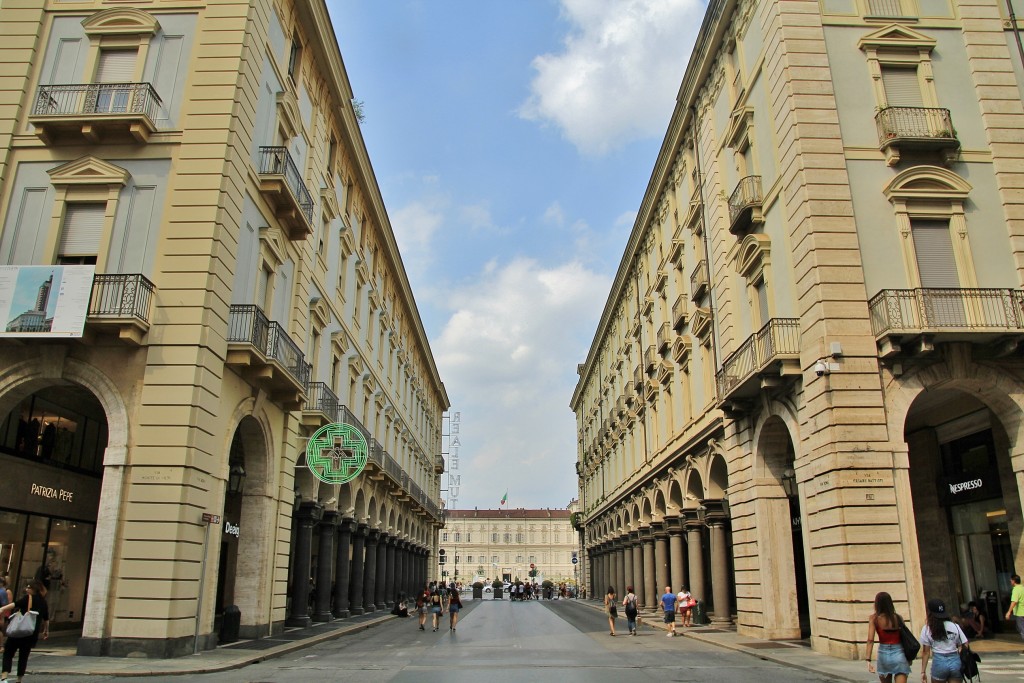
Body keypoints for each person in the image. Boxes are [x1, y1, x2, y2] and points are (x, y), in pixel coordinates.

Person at [0, 580, 48, 683]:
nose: (27, 589)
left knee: (8, 653)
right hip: (31, 633)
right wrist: (45, 630)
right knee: (24, 656)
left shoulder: (28, 598)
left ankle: (4, 677)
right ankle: (19, 679)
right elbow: (46, 618)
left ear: (34, 589)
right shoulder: (43, 602)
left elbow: (14, 604)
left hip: (18, 632)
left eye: (29, 588)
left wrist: (2, 609)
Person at [865, 591, 911, 683]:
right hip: (899, 653)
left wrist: (868, 660)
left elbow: (870, 640)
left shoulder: (874, 618)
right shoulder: (898, 618)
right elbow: (905, 637)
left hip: (883, 654)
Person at [920, 598, 968, 683]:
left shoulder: (927, 628)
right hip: (955, 661)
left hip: (939, 662)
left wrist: (923, 671)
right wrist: (959, 653)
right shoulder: (955, 626)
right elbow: (965, 643)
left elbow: (926, 652)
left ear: (930, 612)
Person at [1008, 574, 1024, 648]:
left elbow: (1014, 601)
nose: (1010, 581)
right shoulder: (1022, 588)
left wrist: (1009, 612)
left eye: (1011, 580)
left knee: (1022, 630)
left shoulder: (1016, 589)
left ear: (1014, 581)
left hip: (1020, 613)